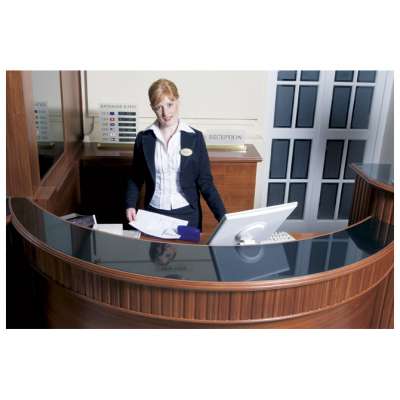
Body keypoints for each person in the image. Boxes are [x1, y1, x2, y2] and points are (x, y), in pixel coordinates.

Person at [125, 79, 226, 231]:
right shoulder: (143, 138)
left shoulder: (195, 138)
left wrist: (223, 216)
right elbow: (135, 177)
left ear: (177, 101)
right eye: (159, 107)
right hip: (154, 214)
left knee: (188, 248)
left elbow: (206, 182)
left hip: (187, 215)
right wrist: (130, 205)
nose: (165, 113)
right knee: (154, 248)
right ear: (152, 108)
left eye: (169, 104)